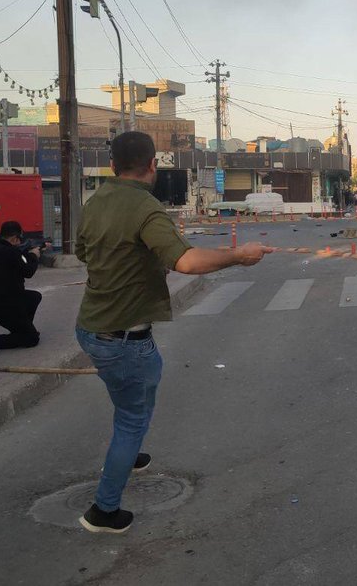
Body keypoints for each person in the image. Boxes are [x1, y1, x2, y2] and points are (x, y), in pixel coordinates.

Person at [74, 131, 271, 534]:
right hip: (124, 338)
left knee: (130, 401)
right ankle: (103, 511)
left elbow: (86, 252)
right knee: (133, 415)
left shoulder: (95, 203)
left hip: (91, 328)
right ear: (152, 164)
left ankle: (127, 454)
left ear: (112, 165)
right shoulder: (146, 207)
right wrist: (238, 256)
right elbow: (185, 261)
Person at [0, 220, 48, 355]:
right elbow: (28, 271)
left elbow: (12, 263)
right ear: (14, 238)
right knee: (31, 339)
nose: (20, 242)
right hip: (7, 305)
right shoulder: (11, 253)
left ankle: (23, 328)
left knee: (34, 297)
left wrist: (27, 254)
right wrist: (34, 256)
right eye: (19, 239)